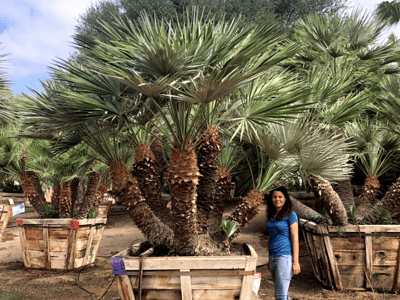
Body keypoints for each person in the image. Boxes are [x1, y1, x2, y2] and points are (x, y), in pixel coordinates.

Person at [266, 186, 300, 300]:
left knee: (280, 295)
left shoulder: (291, 215)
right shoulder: (271, 215)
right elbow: (271, 237)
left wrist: (296, 262)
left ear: (285, 198)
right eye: (274, 197)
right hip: (273, 257)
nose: (277, 199)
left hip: (284, 257)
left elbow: (295, 238)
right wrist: (268, 258)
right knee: (283, 294)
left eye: (280, 197)